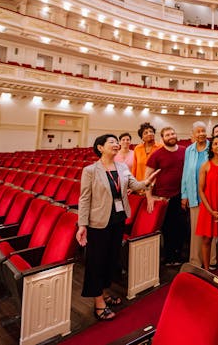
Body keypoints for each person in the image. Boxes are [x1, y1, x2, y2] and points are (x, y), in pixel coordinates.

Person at [76, 134, 155, 321]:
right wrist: (82, 224)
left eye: (116, 142)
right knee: (96, 262)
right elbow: (84, 198)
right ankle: (98, 302)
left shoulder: (121, 167)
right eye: (111, 142)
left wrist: (147, 182)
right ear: (100, 147)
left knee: (110, 260)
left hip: (118, 220)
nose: (116, 144)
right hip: (98, 223)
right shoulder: (90, 170)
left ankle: (103, 292)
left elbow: (134, 185)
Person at [146, 127, 188, 266]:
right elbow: (148, 179)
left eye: (173, 133)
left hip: (181, 195)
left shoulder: (184, 150)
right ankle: (169, 257)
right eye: (167, 134)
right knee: (168, 228)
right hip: (163, 197)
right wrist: (149, 197)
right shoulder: (156, 155)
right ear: (162, 138)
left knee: (181, 226)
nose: (171, 136)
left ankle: (178, 255)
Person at [196, 135, 218, 276]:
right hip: (208, 208)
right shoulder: (206, 165)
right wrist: (211, 211)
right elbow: (201, 190)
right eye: (215, 144)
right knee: (206, 239)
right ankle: (206, 270)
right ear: (211, 148)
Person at [181, 121, 214, 267]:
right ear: (193, 134)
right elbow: (186, 172)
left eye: (203, 131)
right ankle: (195, 261)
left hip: (211, 196)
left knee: (211, 230)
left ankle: (212, 260)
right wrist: (184, 195)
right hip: (194, 195)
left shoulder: (213, 148)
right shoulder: (189, 150)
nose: (201, 134)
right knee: (196, 230)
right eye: (198, 131)